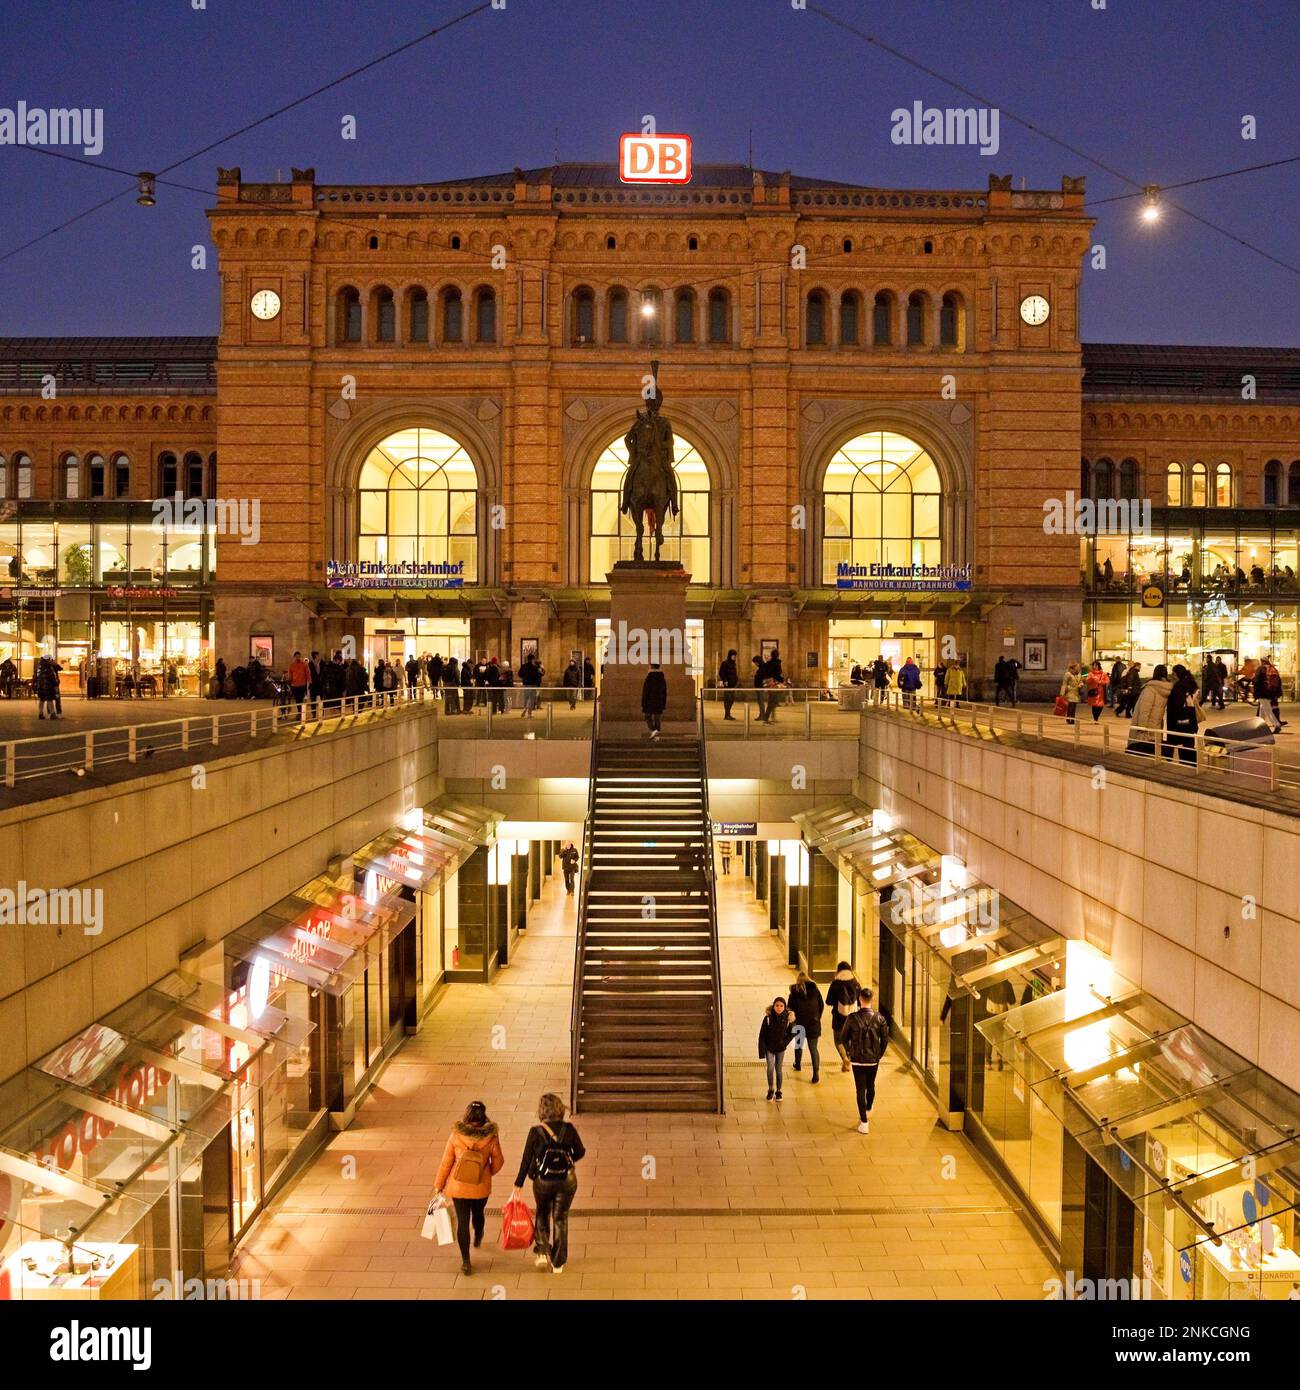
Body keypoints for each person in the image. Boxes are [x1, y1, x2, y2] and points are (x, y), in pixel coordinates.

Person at [511, 1094, 585, 1275]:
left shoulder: (535, 1131)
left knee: (542, 1213)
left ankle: (543, 1252)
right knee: (561, 1219)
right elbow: (581, 1151)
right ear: (560, 1109)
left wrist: (518, 1183)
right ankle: (558, 1263)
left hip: (542, 1181)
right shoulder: (568, 1129)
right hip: (566, 1181)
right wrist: (568, 1161)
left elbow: (526, 1159)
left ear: (541, 1110)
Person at [434, 1100, 505, 1276]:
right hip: (480, 1187)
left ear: (467, 1116)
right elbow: (499, 1161)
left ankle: (466, 1261)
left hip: (459, 1187)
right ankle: (479, 1234)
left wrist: (439, 1185)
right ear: (483, 1117)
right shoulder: (491, 1137)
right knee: (479, 1213)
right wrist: (488, 1172)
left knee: (462, 1221)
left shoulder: (456, 1136)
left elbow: (446, 1163)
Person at [842, 987, 890, 1134]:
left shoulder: (852, 1018)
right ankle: (869, 1107)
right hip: (873, 1060)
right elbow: (885, 1040)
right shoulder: (880, 1018)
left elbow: (843, 1038)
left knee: (859, 1090)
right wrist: (879, 1055)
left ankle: (864, 1122)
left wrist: (850, 1052)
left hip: (857, 1060)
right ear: (872, 999)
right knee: (871, 1086)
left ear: (859, 999)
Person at [1127, 663, 1173, 757]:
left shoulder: (1150, 689)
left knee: (1142, 754)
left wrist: (1141, 728)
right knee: (1152, 754)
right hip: (1156, 727)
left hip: (1146, 729)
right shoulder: (1167, 689)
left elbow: (1144, 710)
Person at [787, 971, 825, 1083]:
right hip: (814, 1022)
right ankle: (816, 1073)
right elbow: (821, 1005)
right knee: (813, 1048)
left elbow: (790, 1008)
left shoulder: (794, 993)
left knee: (799, 1045)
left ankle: (798, 1064)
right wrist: (817, 1017)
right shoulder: (816, 991)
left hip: (799, 1023)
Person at [758, 996, 796, 1101]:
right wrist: (762, 1051)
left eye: (781, 1006)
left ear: (785, 1007)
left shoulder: (788, 1019)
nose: (779, 1008)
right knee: (770, 1069)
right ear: (773, 1006)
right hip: (769, 1048)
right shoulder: (768, 1018)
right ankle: (771, 1089)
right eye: (777, 1005)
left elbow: (792, 1033)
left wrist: (784, 1043)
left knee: (778, 1070)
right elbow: (762, 1035)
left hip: (780, 1048)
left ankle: (779, 1091)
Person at [825, 961, 861, 1072]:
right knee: (849, 1040)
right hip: (853, 1017)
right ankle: (847, 1062)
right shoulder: (855, 983)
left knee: (838, 1041)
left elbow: (828, 1001)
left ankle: (845, 1059)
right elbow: (860, 1001)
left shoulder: (836, 984)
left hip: (839, 1017)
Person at [1164, 664, 1200, 763]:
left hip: (1180, 721)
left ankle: (1170, 761)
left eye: (1173, 673)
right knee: (1188, 745)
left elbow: (1178, 706)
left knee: (1173, 742)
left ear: (1177, 674)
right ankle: (1190, 765)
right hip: (1190, 719)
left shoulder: (1178, 687)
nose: (1172, 676)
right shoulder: (1191, 684)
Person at [641, 661, 667, 739]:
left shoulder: (649, 677)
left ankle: (654, 730)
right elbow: (664, 692)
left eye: (650, 666)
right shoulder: (662, 678)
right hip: (659, 701)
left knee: (648, 717)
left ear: (652, 667)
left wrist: (643, 703)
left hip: (649, 701)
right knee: (657, 718)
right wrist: (663, 703)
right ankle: (656, 731)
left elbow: (645, 691)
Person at [35, 654, 61, 719]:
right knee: (50, 699)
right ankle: (52, 714)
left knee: (42, 700)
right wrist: (56, 683)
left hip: (40, 686)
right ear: (48, 660)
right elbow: (52, 676)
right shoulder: (48, 666)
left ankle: (40, 713)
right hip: (48, 686)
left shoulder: (39, 666)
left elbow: (36, 676)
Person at [519, 650, 544, 717]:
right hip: (533, 685)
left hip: (525, 684)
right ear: (533, 659)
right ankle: (529, 713)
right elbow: (540, 674)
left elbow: (519, 674)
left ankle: (524, 708)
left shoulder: (523, 666)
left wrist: (524, 677)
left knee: (526, 698)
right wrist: (542, 669)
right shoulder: (535, 667)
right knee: (532, 699)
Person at [718, 648, 739, 720]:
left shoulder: (734, 664)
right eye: (733, 655)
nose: (734, 657)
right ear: (730, 655)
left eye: (735, 656)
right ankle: (726, 714)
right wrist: (725, 680)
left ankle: (728, 713)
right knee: (727, 699)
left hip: (733, 684)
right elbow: (721, 673)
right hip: (727, 685)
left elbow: (734, 673)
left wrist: (736, 680)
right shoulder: (725, 663)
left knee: (732, 699)